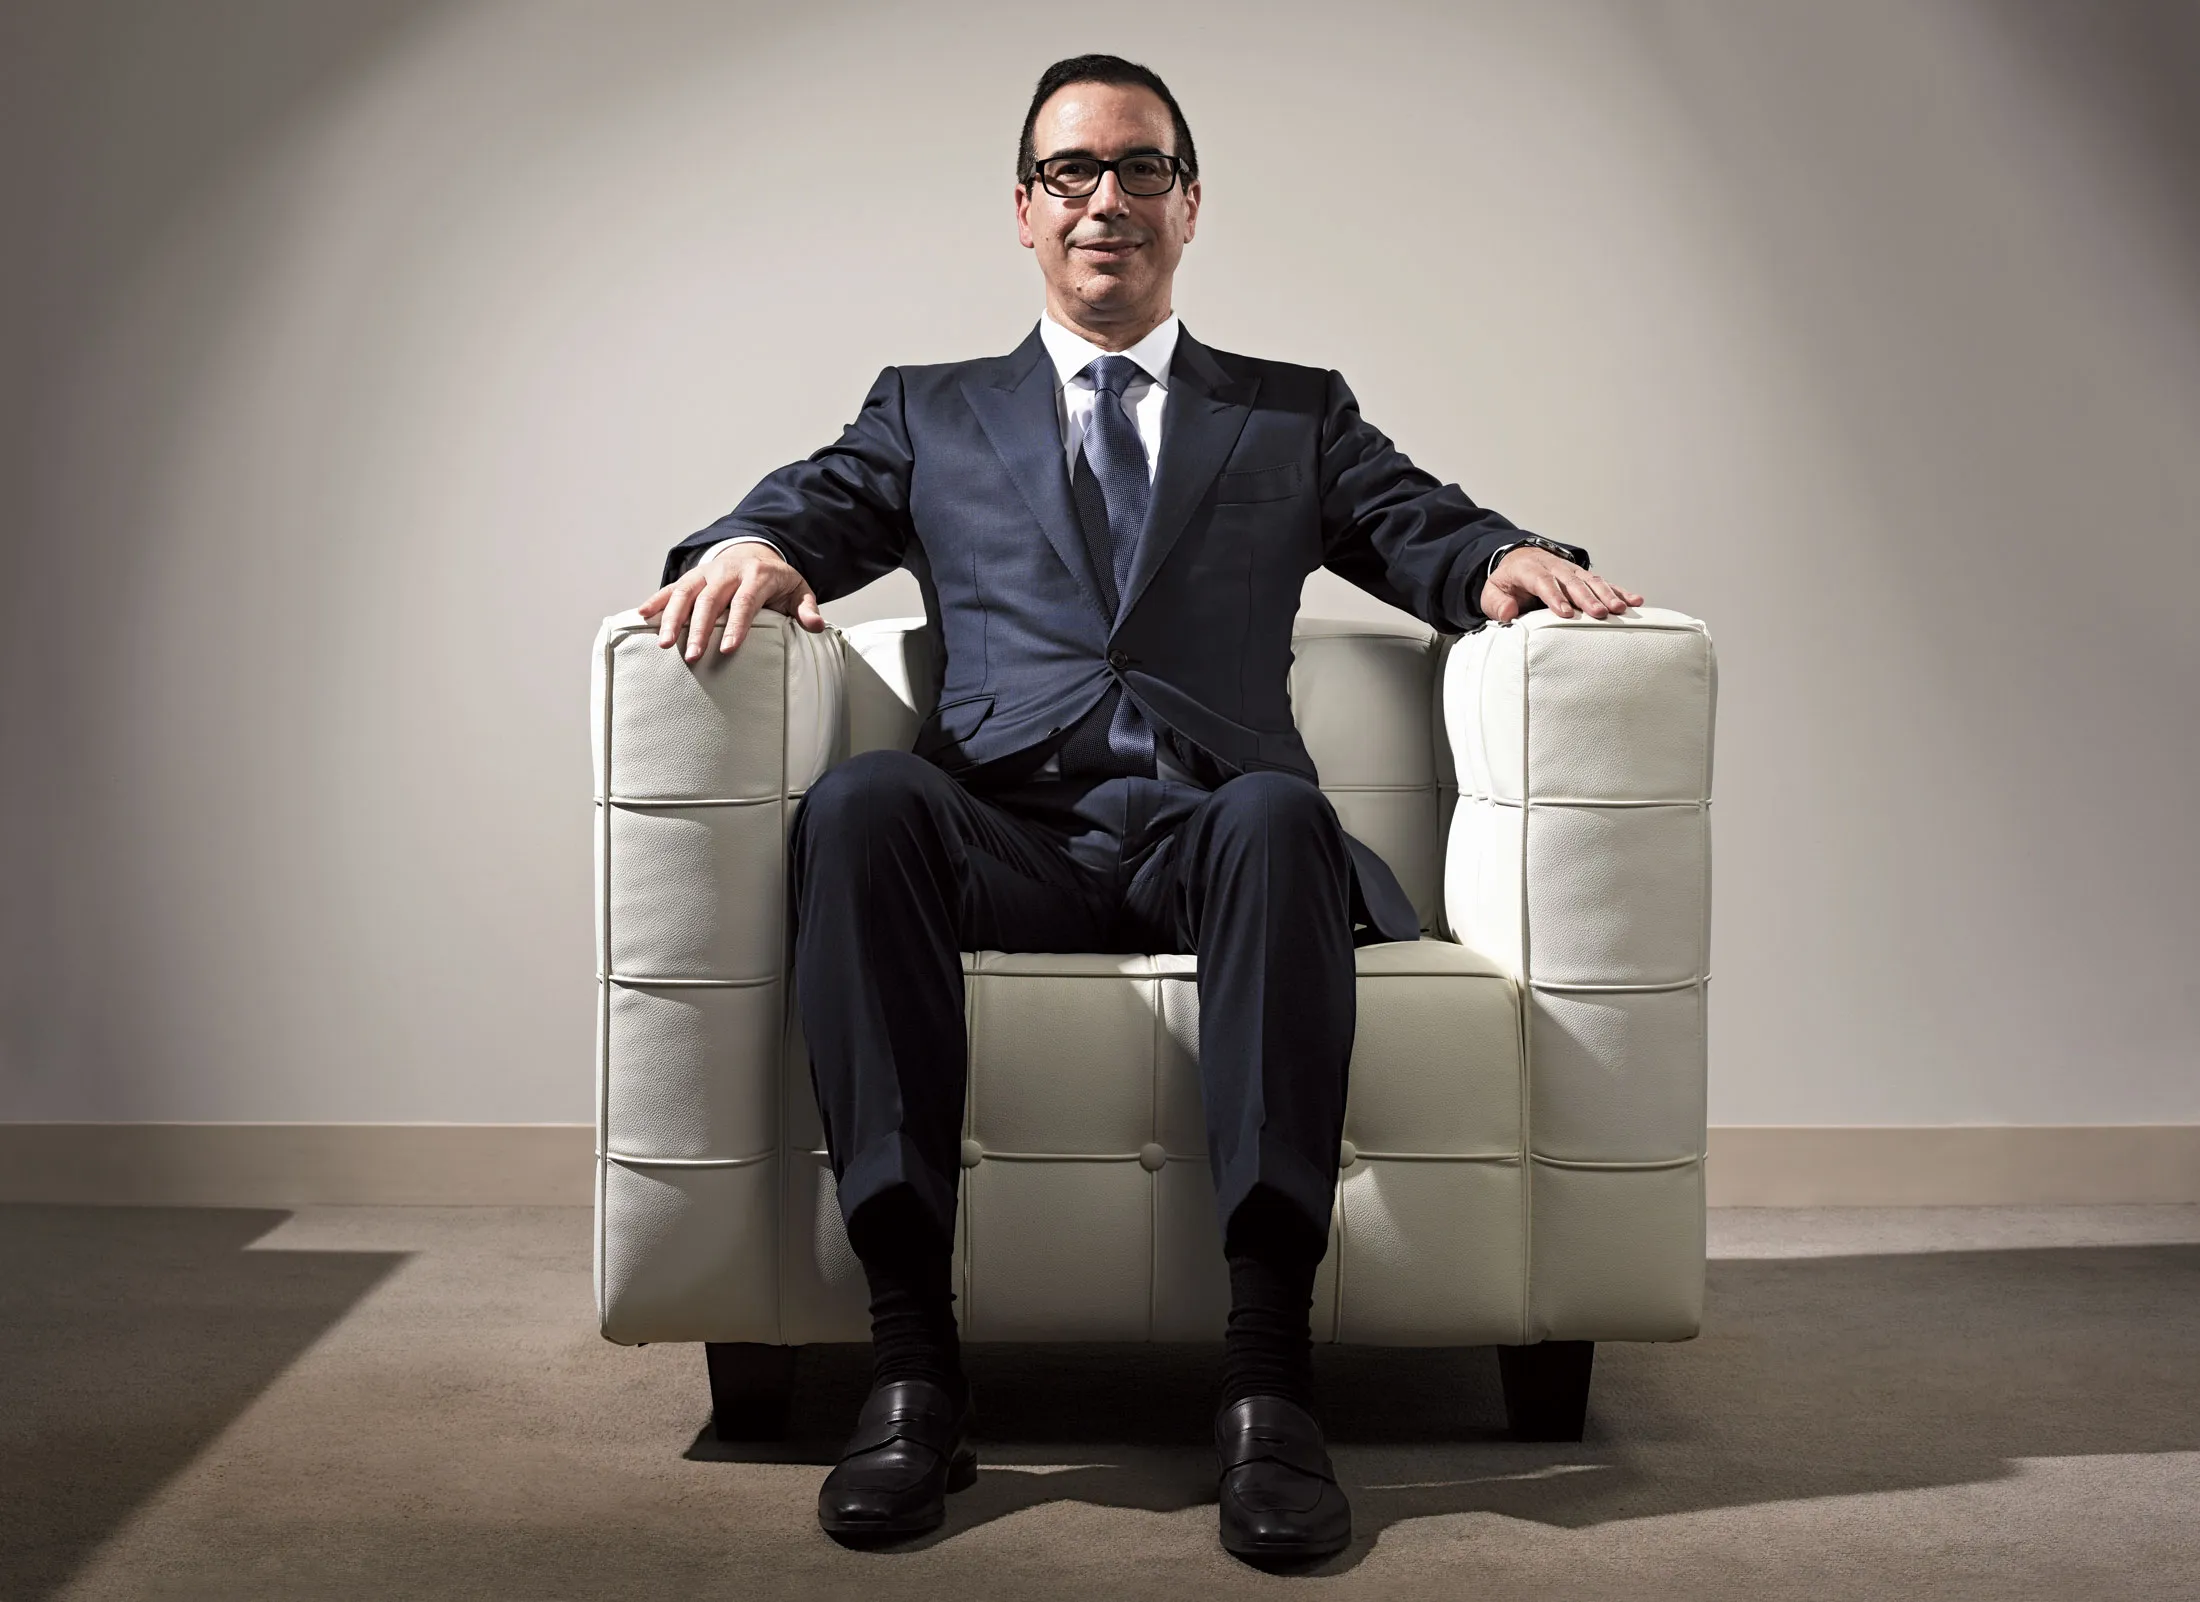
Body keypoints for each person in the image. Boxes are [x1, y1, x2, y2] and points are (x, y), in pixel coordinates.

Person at [640, 54, 1645, 1563]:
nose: (1106, 197)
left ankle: (1269, 1386)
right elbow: (818, 500)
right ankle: (912, 1369)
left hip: (1211, 836)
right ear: (1025, 210)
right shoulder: (929, 410)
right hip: (1008, 835)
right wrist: (755, 546)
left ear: (1189, 204)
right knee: (861, 804)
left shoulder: (1289, 413)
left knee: (1280, 817)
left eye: (1141, 169)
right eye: (1072, 171)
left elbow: (1413, 522)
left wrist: (1504, 560)